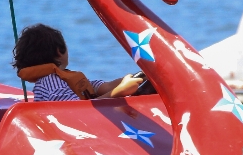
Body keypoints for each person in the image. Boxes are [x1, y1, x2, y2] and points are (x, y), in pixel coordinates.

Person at [12, 23, 144, 101]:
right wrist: (117, 93)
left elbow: (101, 87)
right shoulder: (50, 82)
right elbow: (71, 111)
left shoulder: (65, 77)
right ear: (59, 51)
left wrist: (134, 78)